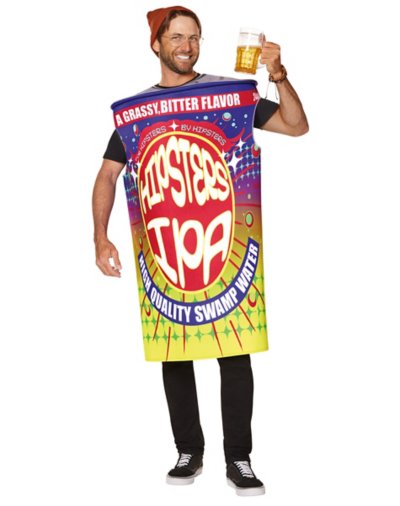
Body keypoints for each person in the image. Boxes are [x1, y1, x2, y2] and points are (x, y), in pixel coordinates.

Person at [92, 5, 308, 497]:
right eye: (176, 37)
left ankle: (239, 459)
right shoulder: (136, 113)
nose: (186, 46)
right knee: (175, 350)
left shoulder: (230, 96)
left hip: (224, 244)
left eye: (194, 37)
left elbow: (296, 126)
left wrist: (278, 75)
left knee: (235, 352)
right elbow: (107, 174)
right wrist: (100, 236)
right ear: (156, 45)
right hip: (165, 250)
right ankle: (189, 451)